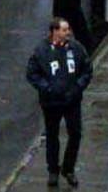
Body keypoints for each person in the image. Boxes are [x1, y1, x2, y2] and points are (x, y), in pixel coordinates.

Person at [25, 16, 92, 189]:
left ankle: (68, 168)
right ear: (54, 31)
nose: (67, 32)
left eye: (68, 29)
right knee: (52, 136)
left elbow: (86, 69)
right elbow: (32, 74)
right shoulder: (41, 51)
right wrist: (47, 88)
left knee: (75, 133)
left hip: (72, 101)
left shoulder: (76, 48)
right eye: (63, 30)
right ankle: (53, 170)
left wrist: (77, 87)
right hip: (51, 103)